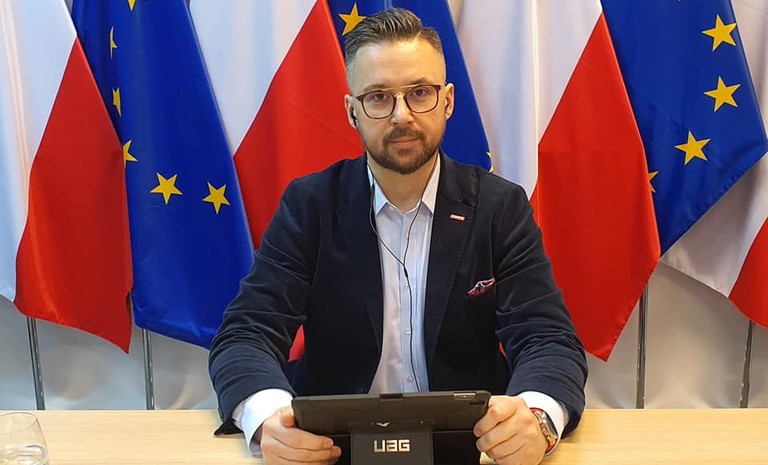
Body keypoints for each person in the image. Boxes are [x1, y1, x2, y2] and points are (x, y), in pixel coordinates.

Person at [209, 7, 587, 465]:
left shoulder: (499, 207)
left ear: (448, 101)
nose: (401, 115)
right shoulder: (310, 206)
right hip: (331, 452)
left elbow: (548, 338)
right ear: (352, 112)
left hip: (472, 449)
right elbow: (246, 334)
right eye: (378, 97)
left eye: (419, 93)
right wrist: (269, 419)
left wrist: (538, 418)